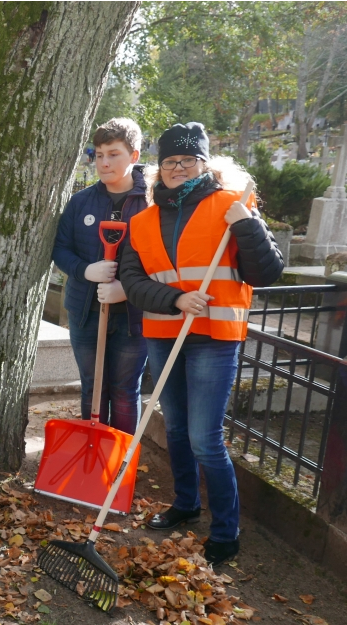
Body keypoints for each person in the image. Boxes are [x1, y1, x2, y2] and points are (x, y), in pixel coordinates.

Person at [120, 122, 284, 566]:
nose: (177, 167)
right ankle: (186, 503)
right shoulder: (143, 221)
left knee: (204, 438)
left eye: (187, 160)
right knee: (174, 428)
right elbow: (132, 282)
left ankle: (226, 531)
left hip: (214, 336)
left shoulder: (233, 205)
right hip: (164, 332)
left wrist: (247, 227)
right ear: (159, 168)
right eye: (170, 161)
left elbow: (266, 272)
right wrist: (174, 298)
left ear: (203, 163)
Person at [52, 118, 148, 435]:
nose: (104, 163)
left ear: (134, 156)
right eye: (99, 154)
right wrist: (85, 270)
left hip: (134, 318)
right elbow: (61, 248)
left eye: (114, 154)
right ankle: (92, 459)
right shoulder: (82, 203)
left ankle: (118, 464)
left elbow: (164, 260)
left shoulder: (151, 205)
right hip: (86, 314)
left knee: (123, 392)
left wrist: (129, 289)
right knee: (92, 388)